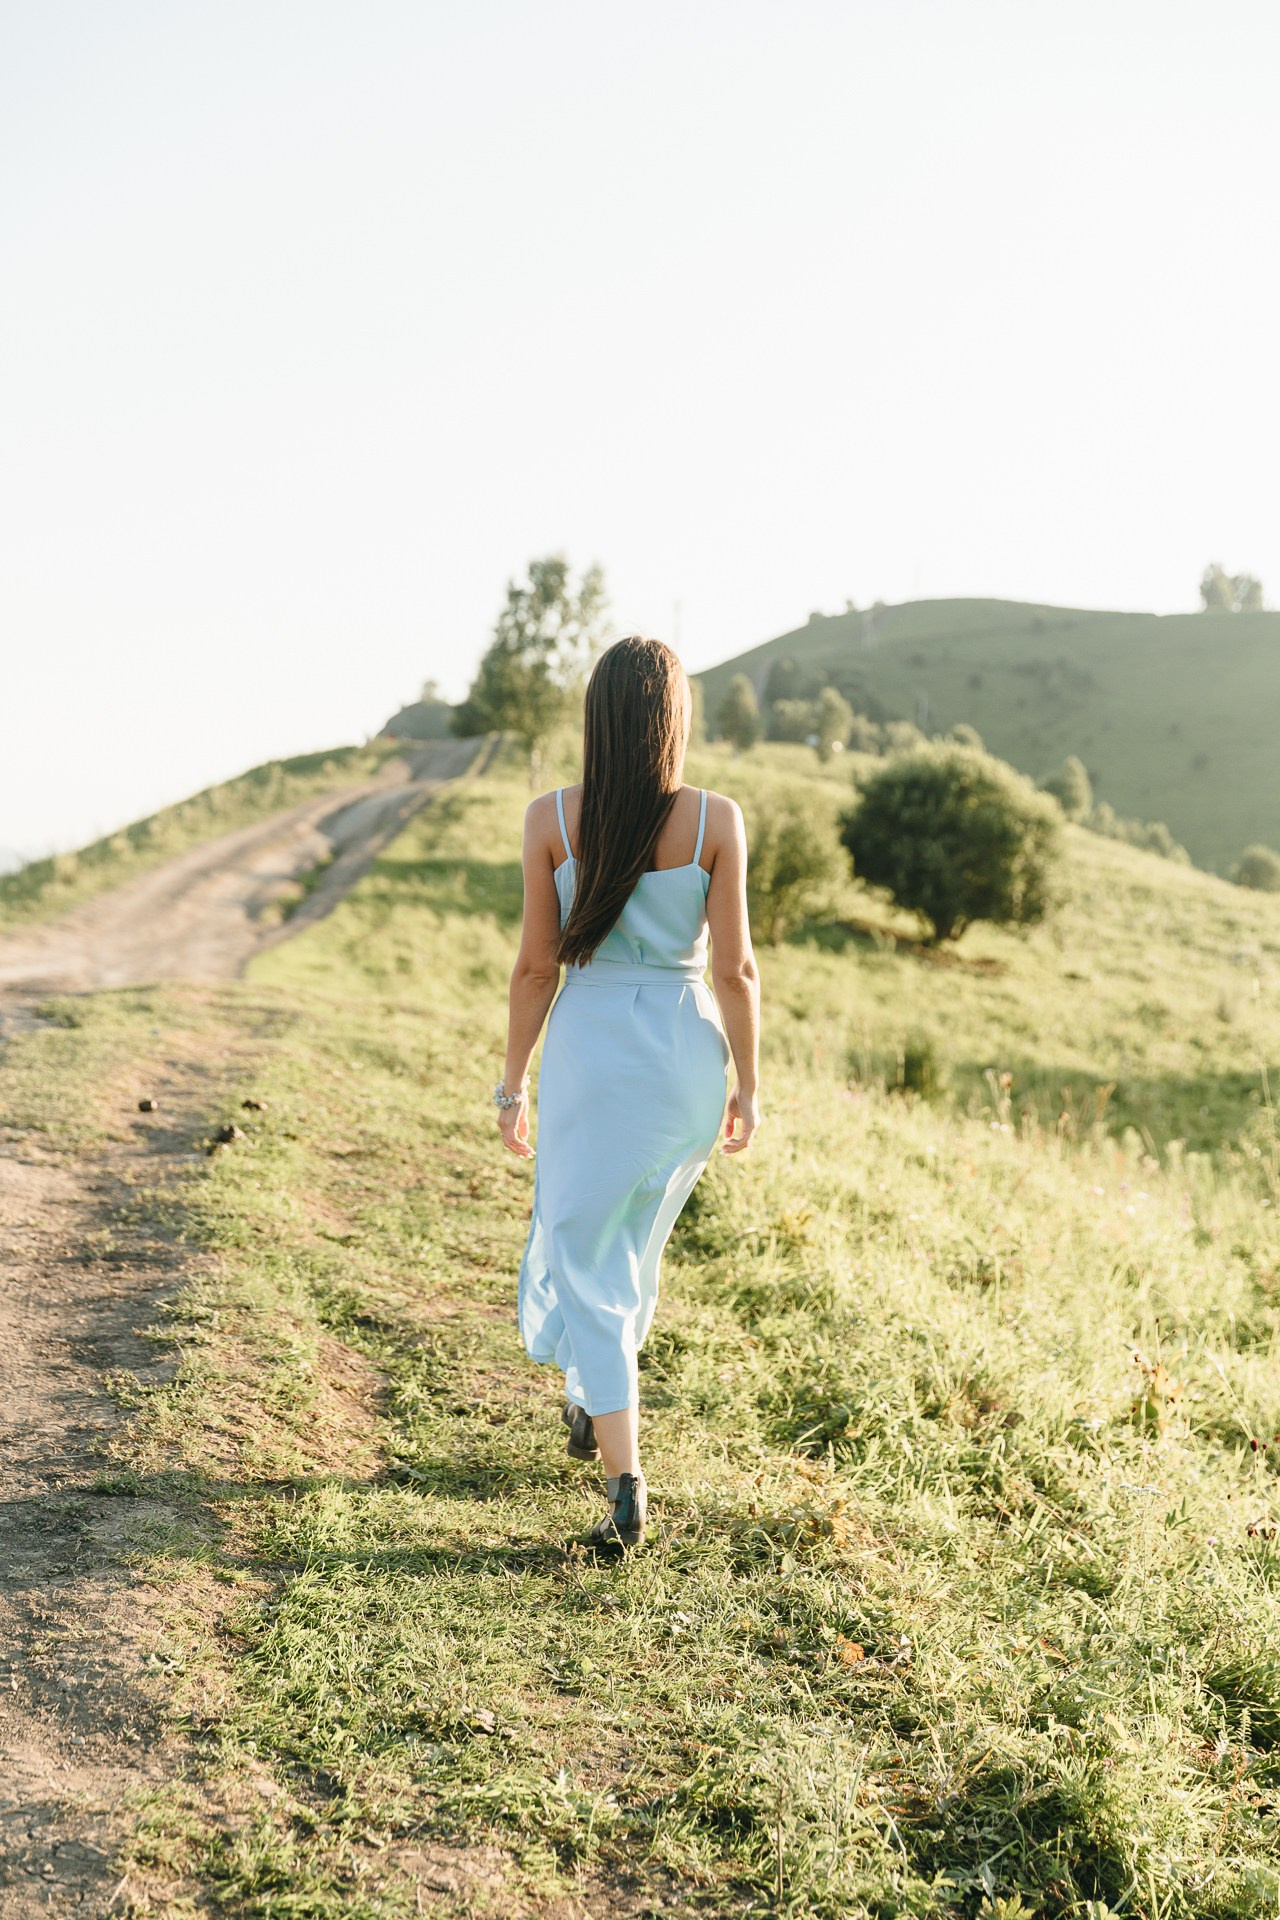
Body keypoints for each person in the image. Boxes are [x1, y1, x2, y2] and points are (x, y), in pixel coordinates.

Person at [494, 635, 762, 1552]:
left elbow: (536, 970)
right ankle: (588, 1399)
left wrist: (511, 1082)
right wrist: (750, 1086)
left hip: (592, 1051)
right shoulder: (716, 820)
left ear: (596, 720)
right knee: (628, 1248)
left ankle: (624, 1487)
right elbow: (738, 972)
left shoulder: (551, 821)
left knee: (584, 1252)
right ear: (673, 721)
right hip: (686, 1057)